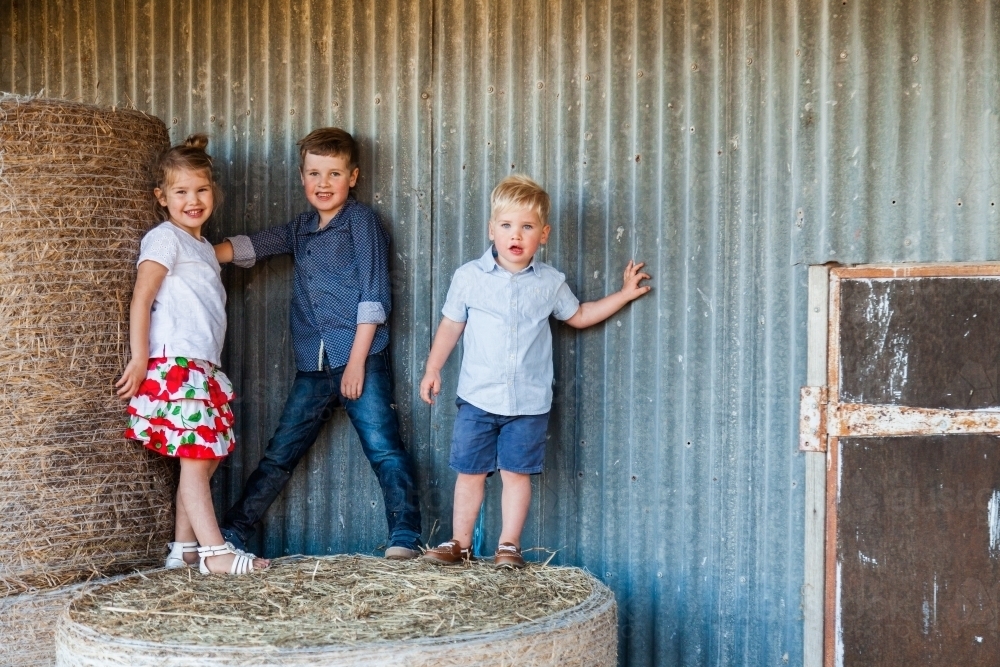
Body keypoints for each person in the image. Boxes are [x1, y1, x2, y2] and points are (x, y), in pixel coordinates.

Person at [419, 174, 651, 568]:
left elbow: (578, 315)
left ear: (542, 235)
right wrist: (433, 368)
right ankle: (459, 542)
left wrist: (623, 294)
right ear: (492, 229)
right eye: (507, 225)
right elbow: (450, 326)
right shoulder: (469, 278)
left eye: (527, 227)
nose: (516, 234)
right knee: (470, 473)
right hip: (478, 397)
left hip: (528, 402)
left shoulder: (549, 283)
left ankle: (508, 545)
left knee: (515, 474)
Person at [213, 127, 422, 559]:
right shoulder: (302, 228)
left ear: (353, 177)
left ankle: (406, 537)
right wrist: (193, 250)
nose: (323, 184)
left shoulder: (360, 222)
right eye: (314, 174)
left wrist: (357, 363)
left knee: (384, 449)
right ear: (302, 177)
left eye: (333, 174)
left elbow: (374, 296)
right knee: (278, 455)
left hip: (360, 358)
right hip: (313, 364)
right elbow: (253, 245)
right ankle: (232, 534)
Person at [117, 134, 268, 575]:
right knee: (197, 458)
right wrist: (140, 358)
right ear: (161, 198)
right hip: (176, 364)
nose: (193, 200)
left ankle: (182, 549)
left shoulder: (201, 246)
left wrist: (283, 238)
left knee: (204, 457)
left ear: (213, 193)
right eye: (181, 192)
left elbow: (233, 251)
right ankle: (215, 553)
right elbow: (141, 298)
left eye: (201, 189)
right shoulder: (164, 238)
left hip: (202, 366)